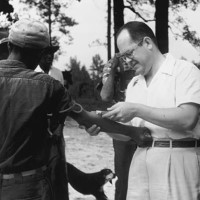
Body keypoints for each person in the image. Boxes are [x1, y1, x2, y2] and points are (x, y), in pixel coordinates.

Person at [0, 18, 151, 200]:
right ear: (41, 53)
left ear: (9, 46)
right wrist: (134, 132)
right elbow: (86, 119)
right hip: (28, 186)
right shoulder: (48, 85)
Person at [89, 21, 200, 200]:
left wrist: (136, 109)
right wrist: (102, 126)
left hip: (179, 160)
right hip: (140, 162)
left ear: (147, 43)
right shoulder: (134, 84)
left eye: (128, 53)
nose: (125, 62)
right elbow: (129, 135)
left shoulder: (184, 71)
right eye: (122, 57)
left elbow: (188, 118)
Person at [100, 55, 137, 200]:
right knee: (123, 178)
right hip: (122, 128)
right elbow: (105, 96)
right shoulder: (113, 63)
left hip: (146, 124)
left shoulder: (143, 59)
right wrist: (114, 69)